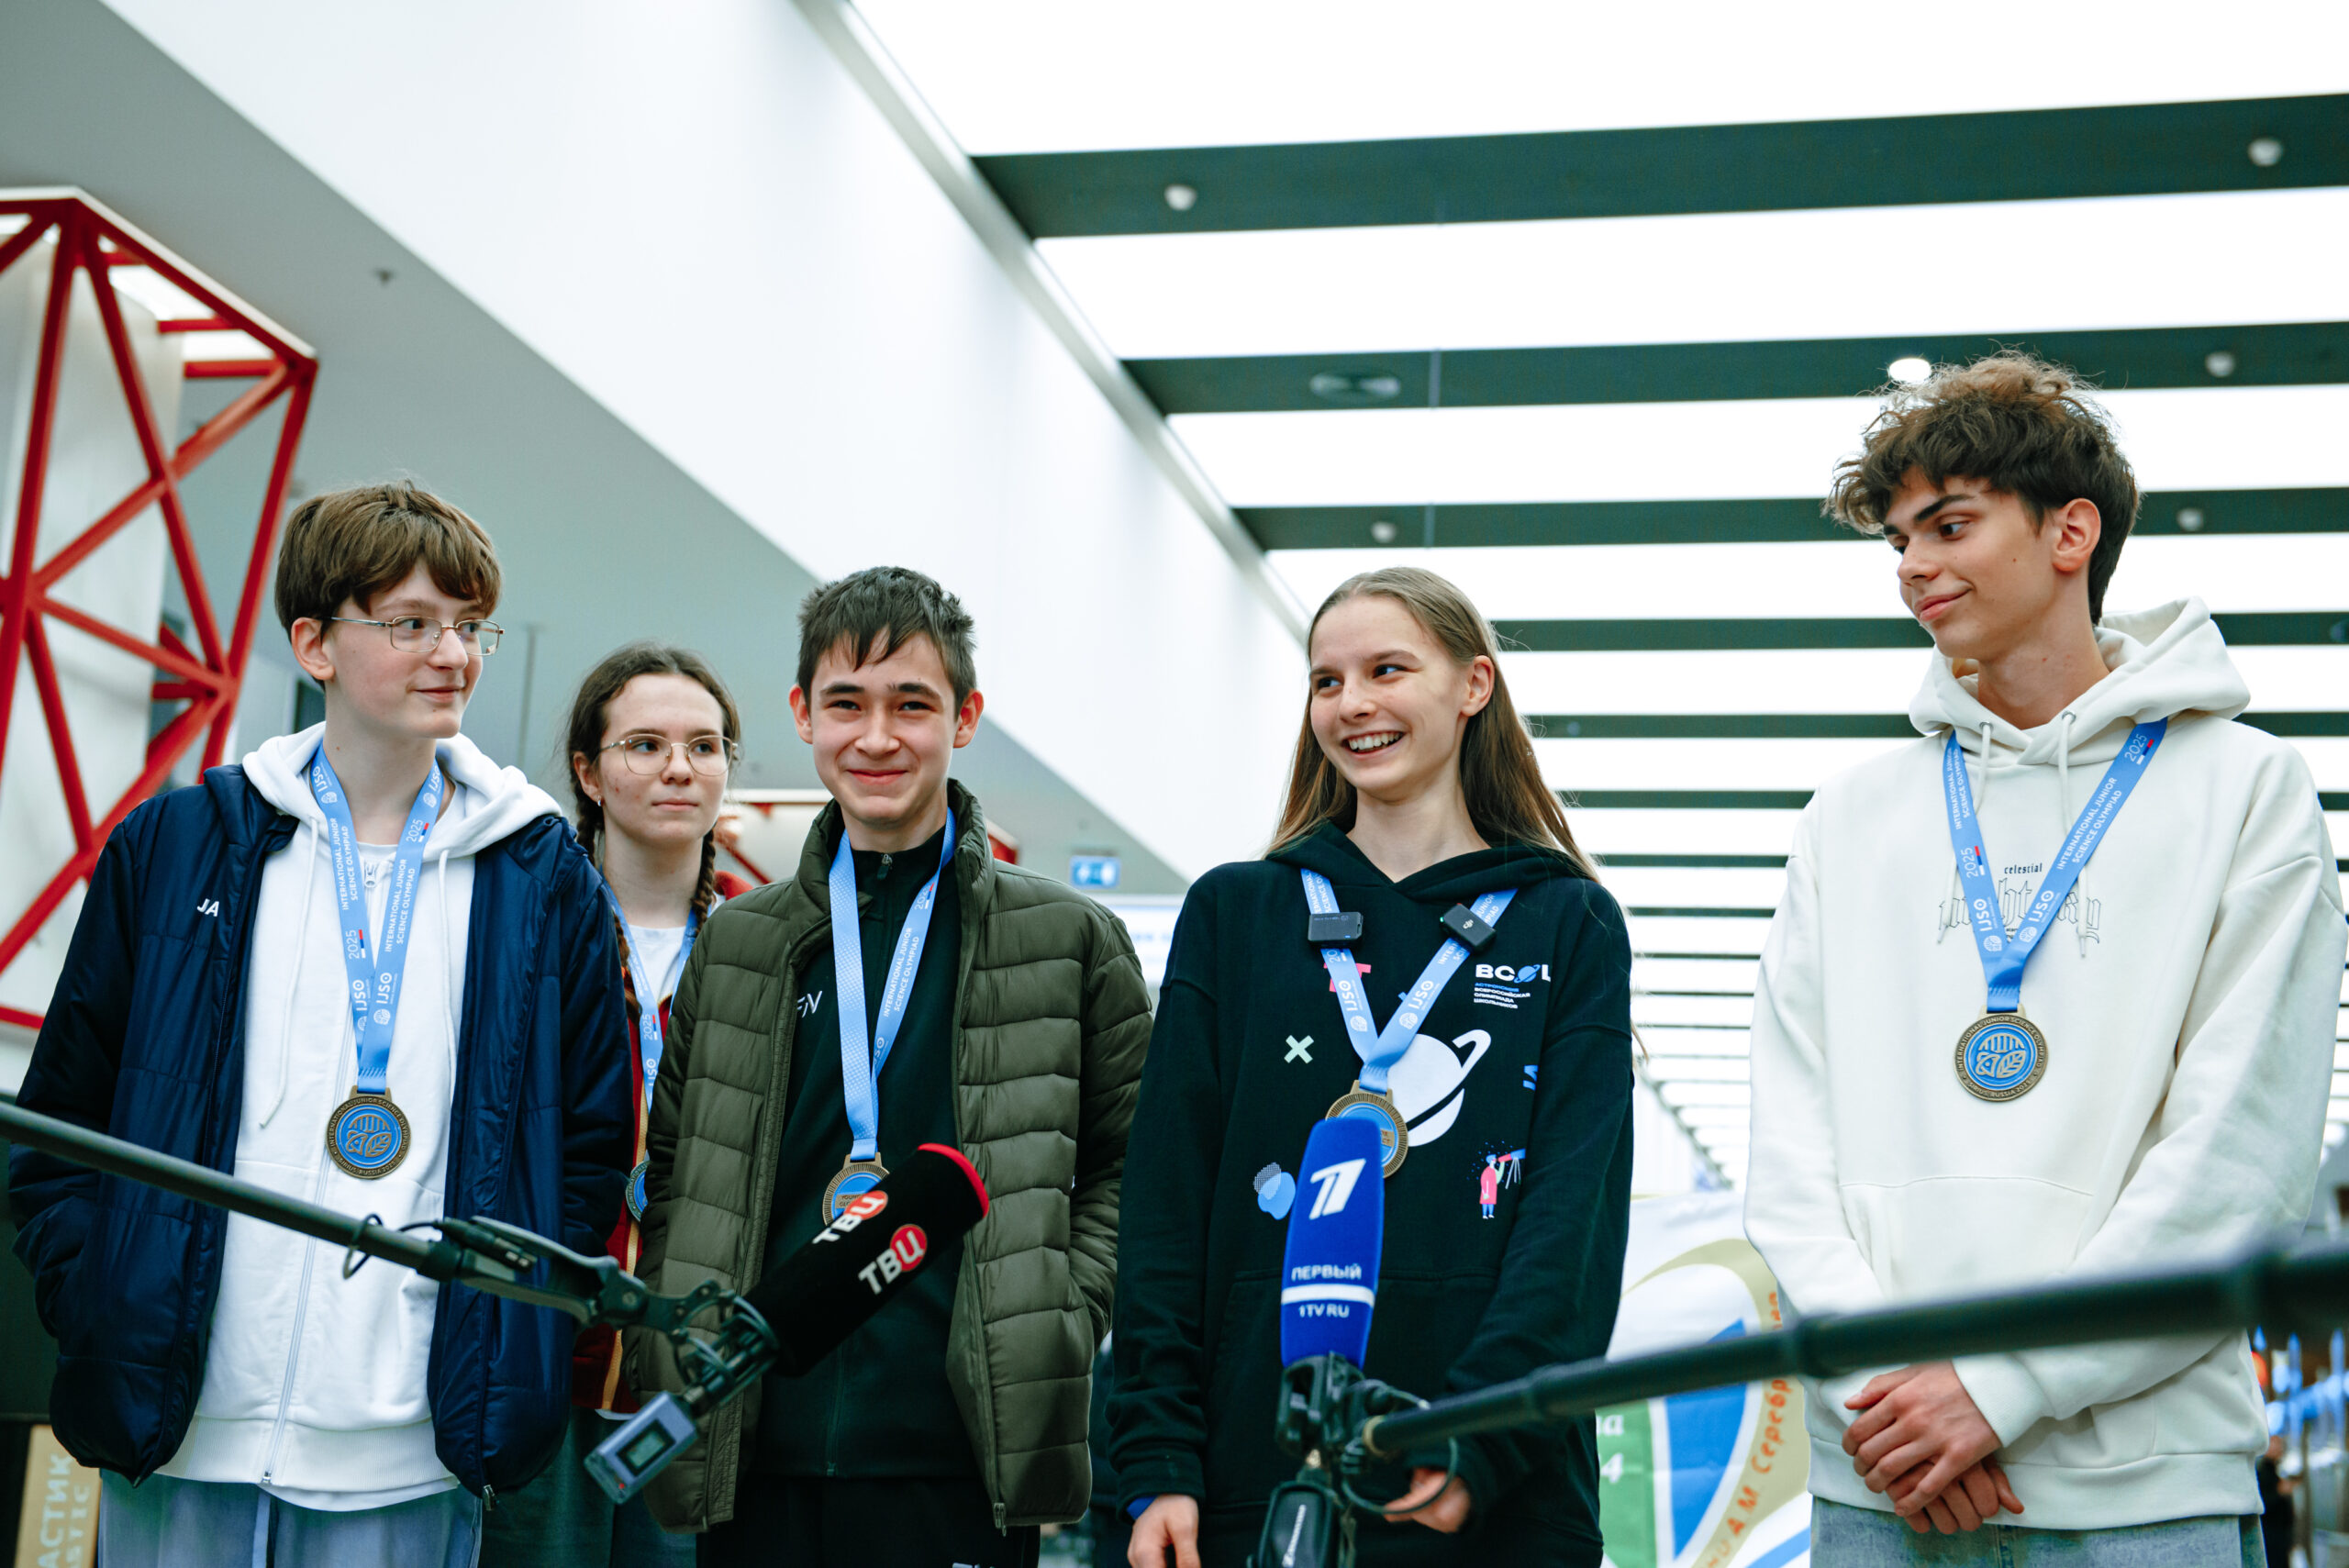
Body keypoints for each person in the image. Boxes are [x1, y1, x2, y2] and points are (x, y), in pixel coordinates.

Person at [1743, 354, 2346, 1562]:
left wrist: (2002, 1385)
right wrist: (1897, 1397)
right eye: (1899, 540)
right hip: (1885, 1478)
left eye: (1949, 524)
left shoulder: (2248, 789)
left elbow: (2242, 1150)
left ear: (2071, 532)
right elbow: (1791, 1151)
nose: (1912, 566)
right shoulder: (1848, 815)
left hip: (2145, 1494)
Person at [8, 481, 631, 1567]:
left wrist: (517, 1326)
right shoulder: (177, 845)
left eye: (469, 624)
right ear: (314, 644)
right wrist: (105, 1295)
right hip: (184, 1425)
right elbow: (65, 1117)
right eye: (412, 622)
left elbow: (586, 1147)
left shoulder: (540, 878)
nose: (453, 653)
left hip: (412, 1443)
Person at [622, 566, 1152, 1566]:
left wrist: (1064, 1309)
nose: (876, 736)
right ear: (802, 716)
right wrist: (679, 1335)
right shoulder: (737, 941)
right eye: (846, 704)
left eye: (911, 703)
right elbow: (676, 1173)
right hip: (755, 1444)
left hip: (959, 1450)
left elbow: (1137, 1163)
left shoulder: (1068, 938)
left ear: (965, 718)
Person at [1110, 566, 1635, 1567]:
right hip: (1253, 1470)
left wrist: (1480, 1435)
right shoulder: (1236, 913)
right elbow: (1165, 1209)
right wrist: (1159, 1455)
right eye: (1326, 680)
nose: (1351, 703)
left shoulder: (1567, 921)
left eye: (1386, 670)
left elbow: (1572, 1227)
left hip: (1492, 1485)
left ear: (1473, 684)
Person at [480, 643, 746, 1567]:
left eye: (704, 746)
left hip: (695, 1382)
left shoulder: (766, 954)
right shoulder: (525, 936)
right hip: (541, 1364)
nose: (679, 766)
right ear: (588, 774)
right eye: (645, 744)